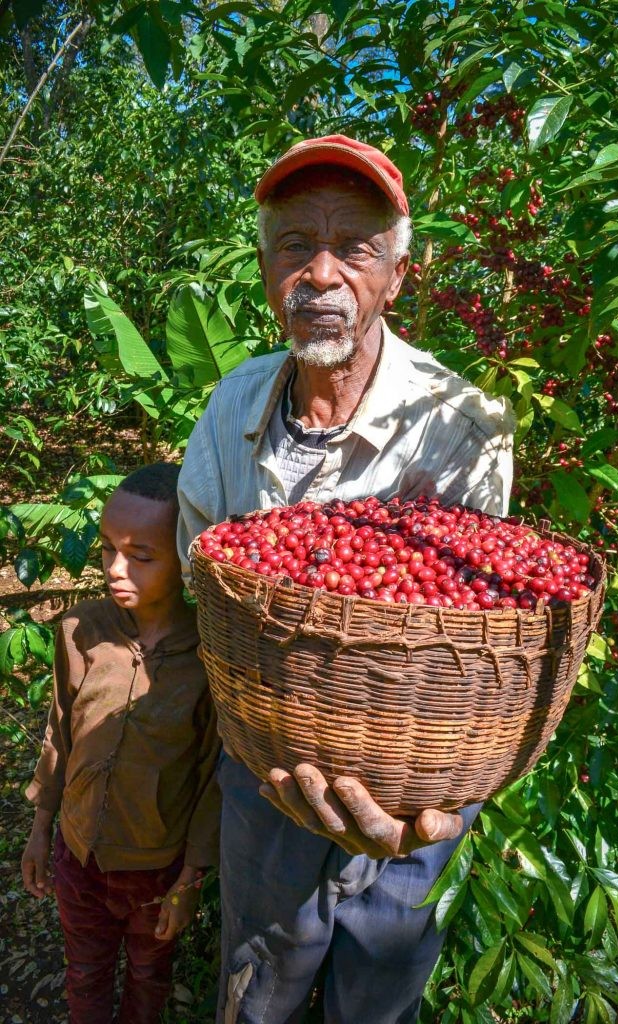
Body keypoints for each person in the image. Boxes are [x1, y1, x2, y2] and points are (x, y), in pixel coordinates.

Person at [177, 135, 515, 1024]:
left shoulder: (460, 423)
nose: (320, 273)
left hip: (412, 774)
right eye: (294, 244)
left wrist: (429, 798)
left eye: (353, 248)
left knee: (376, 989)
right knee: (260, 976)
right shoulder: (230, 409)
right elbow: (201, 577)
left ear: (395, 276)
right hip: (264, 765)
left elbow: (469, 638)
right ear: (264, 269)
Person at [21, 463, 221, 1024]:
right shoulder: (79, 631)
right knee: (83, 974)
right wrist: (42, 830)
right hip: (78, 854)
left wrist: (190, 879)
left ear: (185, 557)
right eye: (108, 548)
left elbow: (211, 777)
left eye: (141, 555)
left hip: (157, 871)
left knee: (149, 977)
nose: (115, 568)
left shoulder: (208, 659)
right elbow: (59, 732)